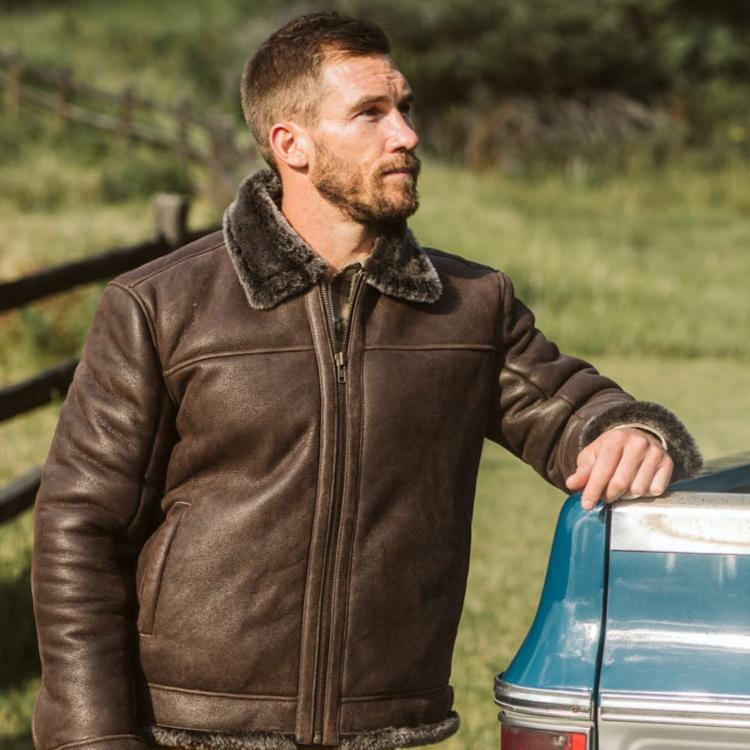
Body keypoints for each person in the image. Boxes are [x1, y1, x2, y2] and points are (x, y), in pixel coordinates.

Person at [30, 11, 701, 750]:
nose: (406, 135)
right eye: (370, 113)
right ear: (291, 143)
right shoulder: (157, 306)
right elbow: (79, 532)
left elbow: (573, 411)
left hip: (383, 729)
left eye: (404, 107)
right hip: (191, 727)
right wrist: (91, 738)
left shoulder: (471, 304)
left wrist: (629, 431)